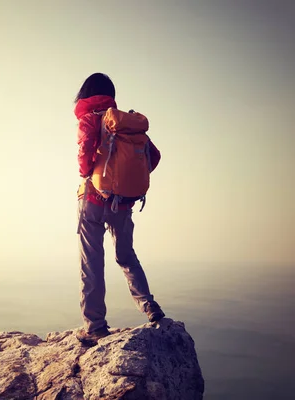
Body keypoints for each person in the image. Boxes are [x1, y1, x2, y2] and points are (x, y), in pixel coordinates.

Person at [74, 72, 165, 345]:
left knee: (92, 262)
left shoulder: (89, 119)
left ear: (85, 94)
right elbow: (155, 156)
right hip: (123, 203)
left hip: (91, 200)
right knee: (126, 256)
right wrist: (126, 180)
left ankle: (95, 326)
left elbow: (83, 157)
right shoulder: (124, 123)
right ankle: (149, 306)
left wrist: (91, 172)